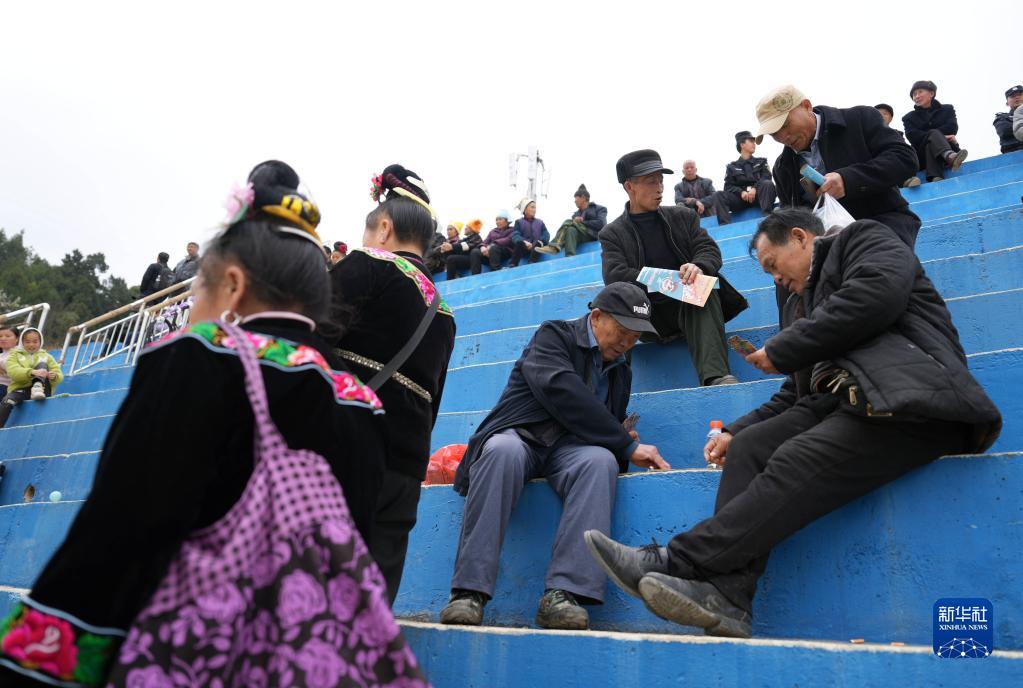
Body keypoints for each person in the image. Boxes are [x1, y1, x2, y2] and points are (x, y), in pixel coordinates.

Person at [0, 160, 430, 688]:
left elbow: (123, 526)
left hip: (190, 655)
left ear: (232, 284)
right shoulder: (360, 399)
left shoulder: (199, 356)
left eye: (198, 287)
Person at [584, 208, 1002, 640]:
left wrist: (786, 347)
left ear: (800, 237)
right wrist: (735, 430)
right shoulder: (799, 304)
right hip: (843, 403)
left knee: (795, 457)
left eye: (773, 265)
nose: (776, 279)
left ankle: (678, 560)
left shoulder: (863, 238)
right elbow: (796, 392)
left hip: (911, 400)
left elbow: (875, 296)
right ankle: (729, 596)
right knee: (750, 447)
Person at [440, 283, 670, 630]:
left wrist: (618, 436)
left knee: (600, 462)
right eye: (622, 331)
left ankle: (564, 594)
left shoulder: (622, 368)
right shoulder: (554, 335)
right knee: (501, 451)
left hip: (569, 450)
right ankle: (468, 592)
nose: (627, 342)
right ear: (596, 316)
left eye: (635, 337)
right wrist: (624, 442)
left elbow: (604, 421)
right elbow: (560, 389)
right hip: (522, 435)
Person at [320, 163, 456, 603]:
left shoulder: (365, 265)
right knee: (373, 592)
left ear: (383, 228)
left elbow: (310, 341)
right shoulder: (443, 311)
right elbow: (433, 400)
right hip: (405, 460)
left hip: (343, 445)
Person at [600, 149, 746, 387]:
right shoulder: (612, 233)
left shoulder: (683, 216)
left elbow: (708, 248)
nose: (659, 188)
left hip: (690, 310)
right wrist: (664, 281)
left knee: (702, 285)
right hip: (645, 317)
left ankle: (716, 378)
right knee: (608, 306)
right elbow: (614, 276)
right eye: (651, 182)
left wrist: (698, 266)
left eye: (661, 181)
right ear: (629, 186)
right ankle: (608, 394)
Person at [758, 84, 922, 248]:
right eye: (774, 133)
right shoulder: (782, 168)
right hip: (828, 244)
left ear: (807, 106)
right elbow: (792, 218)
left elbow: (904, 158)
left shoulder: (859, 119)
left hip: (883, 225)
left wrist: (847, 180)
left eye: (785, 125)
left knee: (876, 259)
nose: (783, 137)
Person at [901, 80, 968, 182]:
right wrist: (937, 135)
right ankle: (950, 156)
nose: (916, 96)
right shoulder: (908, 117)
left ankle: (936, 177)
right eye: (914, 95)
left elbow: (952, 127)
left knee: (931, 142)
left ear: (931, 93)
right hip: (921, 156)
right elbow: (912, 136)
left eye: (920, 92)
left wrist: (935, 137)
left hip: (947, 146)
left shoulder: (947, 109)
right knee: (933, 134)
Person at [0, 327, 64, 428]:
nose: (31, 344)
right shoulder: (14, 356)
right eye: (27, 342)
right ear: (22, 342)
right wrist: (32, 372)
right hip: (21, 389)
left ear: (40, 342)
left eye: (35, 341)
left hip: (43, 390)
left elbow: (59, 375)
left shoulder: (47, 357)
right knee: (7, 401)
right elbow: (13, 372)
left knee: (42, 364)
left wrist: (54, 376)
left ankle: (37, 387)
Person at [713, 131, 777, 225]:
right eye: (751, 141)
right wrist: (741, 192)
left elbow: (766, 177)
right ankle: (724, 226)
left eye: (754, 142)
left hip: (759, 197)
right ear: (742, 145)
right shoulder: (732, 167)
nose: (754, 144)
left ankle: (767, 217)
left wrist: (755, 188)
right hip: (740, 200)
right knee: (718, 195)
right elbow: (728, 187)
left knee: (767, 184)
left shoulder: (761, 162)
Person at [538, 184, 608, 256]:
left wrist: (583, 222)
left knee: (568, 222)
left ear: (583, 198)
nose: (575, 201)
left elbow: (602, 224)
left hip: (594, 236)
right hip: (582, 237)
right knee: (571, 229)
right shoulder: (576, 214)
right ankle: (570, 256)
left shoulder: (599, 209)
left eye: (576, 198)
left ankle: (554, 246)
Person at [509, 198, 550, 266]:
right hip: (525, 248)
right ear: (525, 209)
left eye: (535, 208)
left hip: (537, 247)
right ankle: (513, 263)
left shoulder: (540, 222)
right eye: (532, 207)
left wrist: (541, 241)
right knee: (519, 243)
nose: (534, 210)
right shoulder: (519, 222)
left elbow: (546, 234)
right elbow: (515, 235)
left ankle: (532, 262)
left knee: (538, 244)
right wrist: (524, 242)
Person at [994, 84, 1023, 154]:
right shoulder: (1002, 117)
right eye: (1012, 96)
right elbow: (1005, 131)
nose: (1017, 97)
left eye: (1020, 94)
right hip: (1014, 154)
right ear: (1007, 103)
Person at [0, 324, 19, 399]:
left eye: (7, 336)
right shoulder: (1, 355)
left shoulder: (21, 352)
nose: (3, 338)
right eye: (0, 336)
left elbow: (14, 371)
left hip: (10, 388)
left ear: (17, 339)